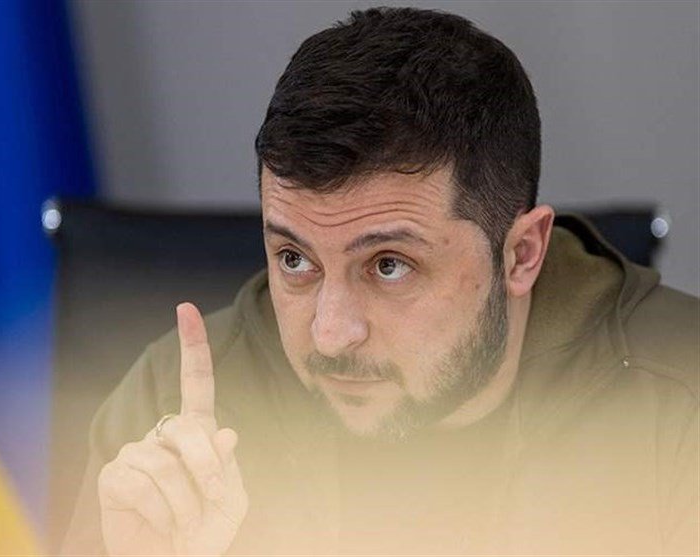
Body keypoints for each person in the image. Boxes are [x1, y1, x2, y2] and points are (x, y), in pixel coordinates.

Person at [61, 7, 699, 556]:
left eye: (389, 265)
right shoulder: (171, 419)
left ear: (521, 255)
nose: (330, 335)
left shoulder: (681, 409)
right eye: (295, 259)